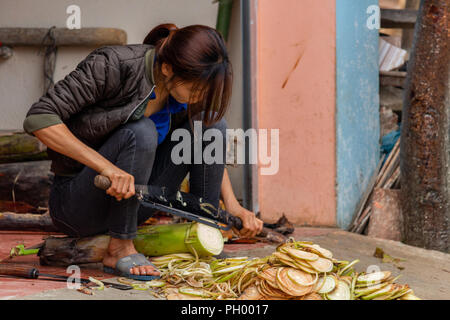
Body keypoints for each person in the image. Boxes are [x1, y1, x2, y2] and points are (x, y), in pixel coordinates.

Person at [23, 24, 263, 280]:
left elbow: (202, 142)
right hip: (78, 204)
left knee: (212, 125)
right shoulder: (113, 65)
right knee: (142, 132)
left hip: (134, 200)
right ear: (167, 68)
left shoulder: (180, 95)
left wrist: (234, 206)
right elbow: (39, 119)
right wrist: (107, 167)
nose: (198, 97)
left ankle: (202, 236)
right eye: (196, 89)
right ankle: (119, 248)